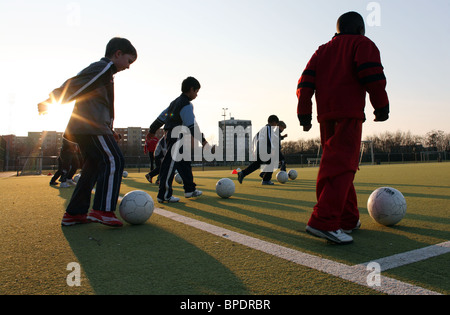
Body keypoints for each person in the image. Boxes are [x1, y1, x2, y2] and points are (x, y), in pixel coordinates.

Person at [297, 12, 389, 244]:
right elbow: (373, 76)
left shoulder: (322, 50)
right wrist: (381, 107)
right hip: (349, 113)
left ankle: (347, 218)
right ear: (360, 29)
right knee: (344, 165)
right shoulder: (362, 44)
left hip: (325, 116)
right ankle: (324, 221)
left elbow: (304, 83)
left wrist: (304, 114)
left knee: (336, 164)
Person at [38, 37, 137, 227]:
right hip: (91, 127)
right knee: (114, 160)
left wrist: (110, 129)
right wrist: (51, 101)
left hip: (91, 127)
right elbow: (77, 84)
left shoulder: (107, 73)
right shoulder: (103, 67)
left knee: (92, 166)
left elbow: (101, 104)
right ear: (118, 54)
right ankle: (102, 210)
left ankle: (74, 213)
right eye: (129, 61)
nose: (129, 66)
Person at [148, 77, 208, 203]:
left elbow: (163, 116)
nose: (196, 95)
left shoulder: (174, 102)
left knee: (184, 164)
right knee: (169, 165)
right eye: (196, 91)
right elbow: (192, 126)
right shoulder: (185, 104)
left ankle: (189, 190)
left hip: (174, 136)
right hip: (176, 137)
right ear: (191, 89)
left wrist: (152, 129)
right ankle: (164, 195)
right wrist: (203, 141)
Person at [238, 115, 282, 185]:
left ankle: (243, 173)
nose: (275, 126)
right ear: (273, 122)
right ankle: (266, 180)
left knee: (257, 164)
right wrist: (273, 149)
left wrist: (254, 150)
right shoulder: (269, 128)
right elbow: (269, 139)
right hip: (264, 149)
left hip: (258, 149)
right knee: (272, 162)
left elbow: (254, 139)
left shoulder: (262, 129)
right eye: (276, 124)